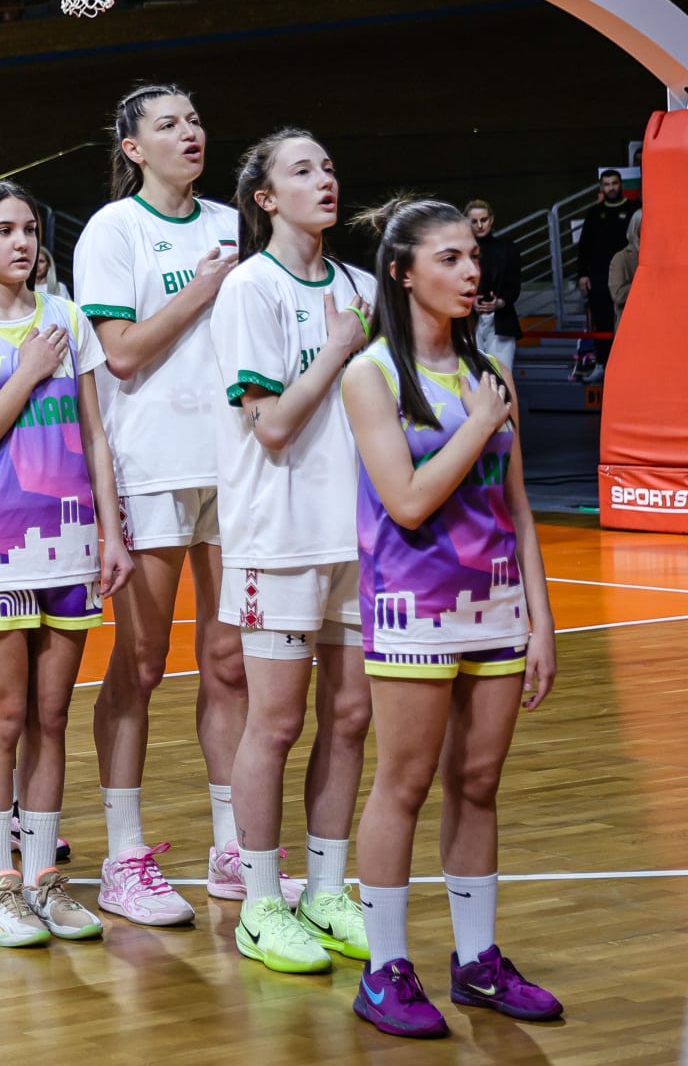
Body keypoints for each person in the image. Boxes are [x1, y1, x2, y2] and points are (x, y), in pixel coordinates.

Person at [342, 196, 562, 1039]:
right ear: (403, 273)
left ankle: (477, 962)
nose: (472, 272)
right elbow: (406, 500)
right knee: (402, 785)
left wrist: (541, 621)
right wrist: (476, 425)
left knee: (478, 784)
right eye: (450, 259)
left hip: (497, 607)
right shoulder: (371, 375)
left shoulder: (491, 376)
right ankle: (385, 969)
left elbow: (519, 509)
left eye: (473, 257)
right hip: (412, 611)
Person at [0, 178, 130, 948]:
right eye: (5, 230)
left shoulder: (66, 318)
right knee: (3, 716)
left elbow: (95, 433)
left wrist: (112, 532)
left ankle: (44, 878)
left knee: (51, 716)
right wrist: (27, 370)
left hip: (69, 543)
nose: (23, 242)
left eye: (31, 230)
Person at [71, 85, 248, 929]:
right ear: (134, 148)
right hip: (149, 469)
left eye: (196, 119)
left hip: (238, 466)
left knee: (230, 663)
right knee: (140, 665)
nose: (191, 132)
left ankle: (232, 847)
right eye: (169, 124)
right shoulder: (114, 231)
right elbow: (121, 353)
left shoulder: (235, 223)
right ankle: (123, 857)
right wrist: (203, 289)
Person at [211, 130, 378, 972]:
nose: (326, 179)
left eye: (330, 166)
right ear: (266, 199)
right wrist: (340, 348)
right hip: (277, 537)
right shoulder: (251, 288)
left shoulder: (363, 287)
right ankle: (260, 903)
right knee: (275, 722)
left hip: (361, 535)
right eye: (303, 170)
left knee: (351, 716)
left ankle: (326, 890)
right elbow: (271, 425)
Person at [570, 168, 638, 377]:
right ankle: (602, 364)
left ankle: (630, 367)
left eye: (614, 183)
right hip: (599, 278)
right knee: (602, 321)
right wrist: (582, 274)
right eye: (607, 184)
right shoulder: (593, 213)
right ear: (601, 187)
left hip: (629, 276)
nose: (611, 188)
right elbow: (584, 247)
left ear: (621, 185)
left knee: (630, 322)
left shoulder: (634, 210)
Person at [462, 200, 522, 377]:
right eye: (474, 221)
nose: (480, 225)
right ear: (467, 222)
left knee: (501, 377)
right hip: (468, 320)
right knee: (471, 378)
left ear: (491, 219)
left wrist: (500, 303)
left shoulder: (508, 248)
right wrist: (470, 301)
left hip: (501, 321)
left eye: (484, 219)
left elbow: (514, 286)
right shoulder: (459, 251)